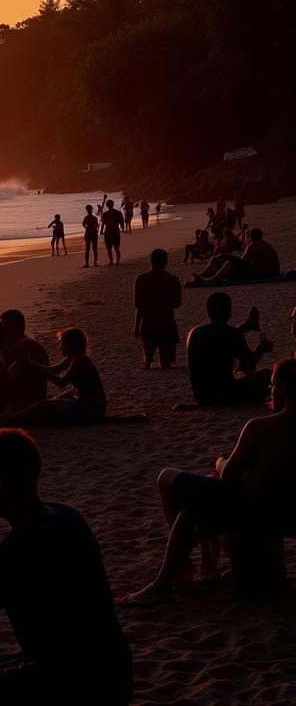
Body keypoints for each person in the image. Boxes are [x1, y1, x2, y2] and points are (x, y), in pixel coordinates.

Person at [0, 429, 132, 706]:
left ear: (0, 482)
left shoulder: (24, 541)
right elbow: (5, 563)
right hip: (109, 670)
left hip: (74, 683)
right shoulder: (64, 516)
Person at [122, 358, 296, 605]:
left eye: (273, 386)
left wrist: (220, 462)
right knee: (204, 494)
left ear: (285, 389)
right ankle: (205, 566)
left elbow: (230, 476)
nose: (271, 392)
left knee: (169, 480)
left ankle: (168, 580)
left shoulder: (262, 427)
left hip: (259, 512)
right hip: (288, 515)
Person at [0, 328, 107, 425]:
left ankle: (6, 420)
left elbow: (61, 382)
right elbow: (53, 370)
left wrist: (30, 363)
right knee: (54, 401)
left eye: (62, 344)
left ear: (72, 345)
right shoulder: (71, 358)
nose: (59, 347)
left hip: (92, 407)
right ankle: (20, 414)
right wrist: (30, 363)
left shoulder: (80, 359)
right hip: (83, 401)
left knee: (42, 405)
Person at [187, 292, 273, 406]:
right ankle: (248, 325)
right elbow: (249, 364)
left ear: (207, 311)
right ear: (229, 312)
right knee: (267, 374)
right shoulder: (232, 333)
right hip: (225, 394)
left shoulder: (193, 332)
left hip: (200, 396)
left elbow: (219, 345)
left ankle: (247, 325)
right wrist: (262, 347)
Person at [134, 248, 182, 370]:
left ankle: (148, 363)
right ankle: (162, 364)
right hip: (167, 324)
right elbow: (177, 304)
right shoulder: (173, 279)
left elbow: (139, 306)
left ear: (151, 261)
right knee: (166, 363)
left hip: (149, 324)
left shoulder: (141, 279)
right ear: (165, 262)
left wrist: (136, 326)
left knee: (148, 363)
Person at [190, 227, 280, 285]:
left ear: (253, 236)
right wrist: (236, 254)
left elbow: (243, 259)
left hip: (263, 273)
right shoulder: (264, 244)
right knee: (222, 257)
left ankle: (210, 279)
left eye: (249, 236)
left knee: (229, 262)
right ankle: (202, 275)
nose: (248, 237)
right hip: (271, 271)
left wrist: (233, 256)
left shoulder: (253, 244)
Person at [0, 310, 50, 409]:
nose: (0, 328)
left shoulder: (22, 346)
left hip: (28, 400)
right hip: (31, 397)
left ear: (12, 327)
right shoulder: (22, 343)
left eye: (2, 323)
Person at [100, 199, 124, 265]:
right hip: (116, 231)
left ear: (107, 206)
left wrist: (101, 231)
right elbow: (121, 222)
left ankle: (111, 262)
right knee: (116, 248)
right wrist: (122, 228)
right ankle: (118, 261)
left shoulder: (105, 214)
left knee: (109, 248)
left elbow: (103, 223)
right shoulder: (118, 213)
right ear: (113, 204)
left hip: (108, 232)